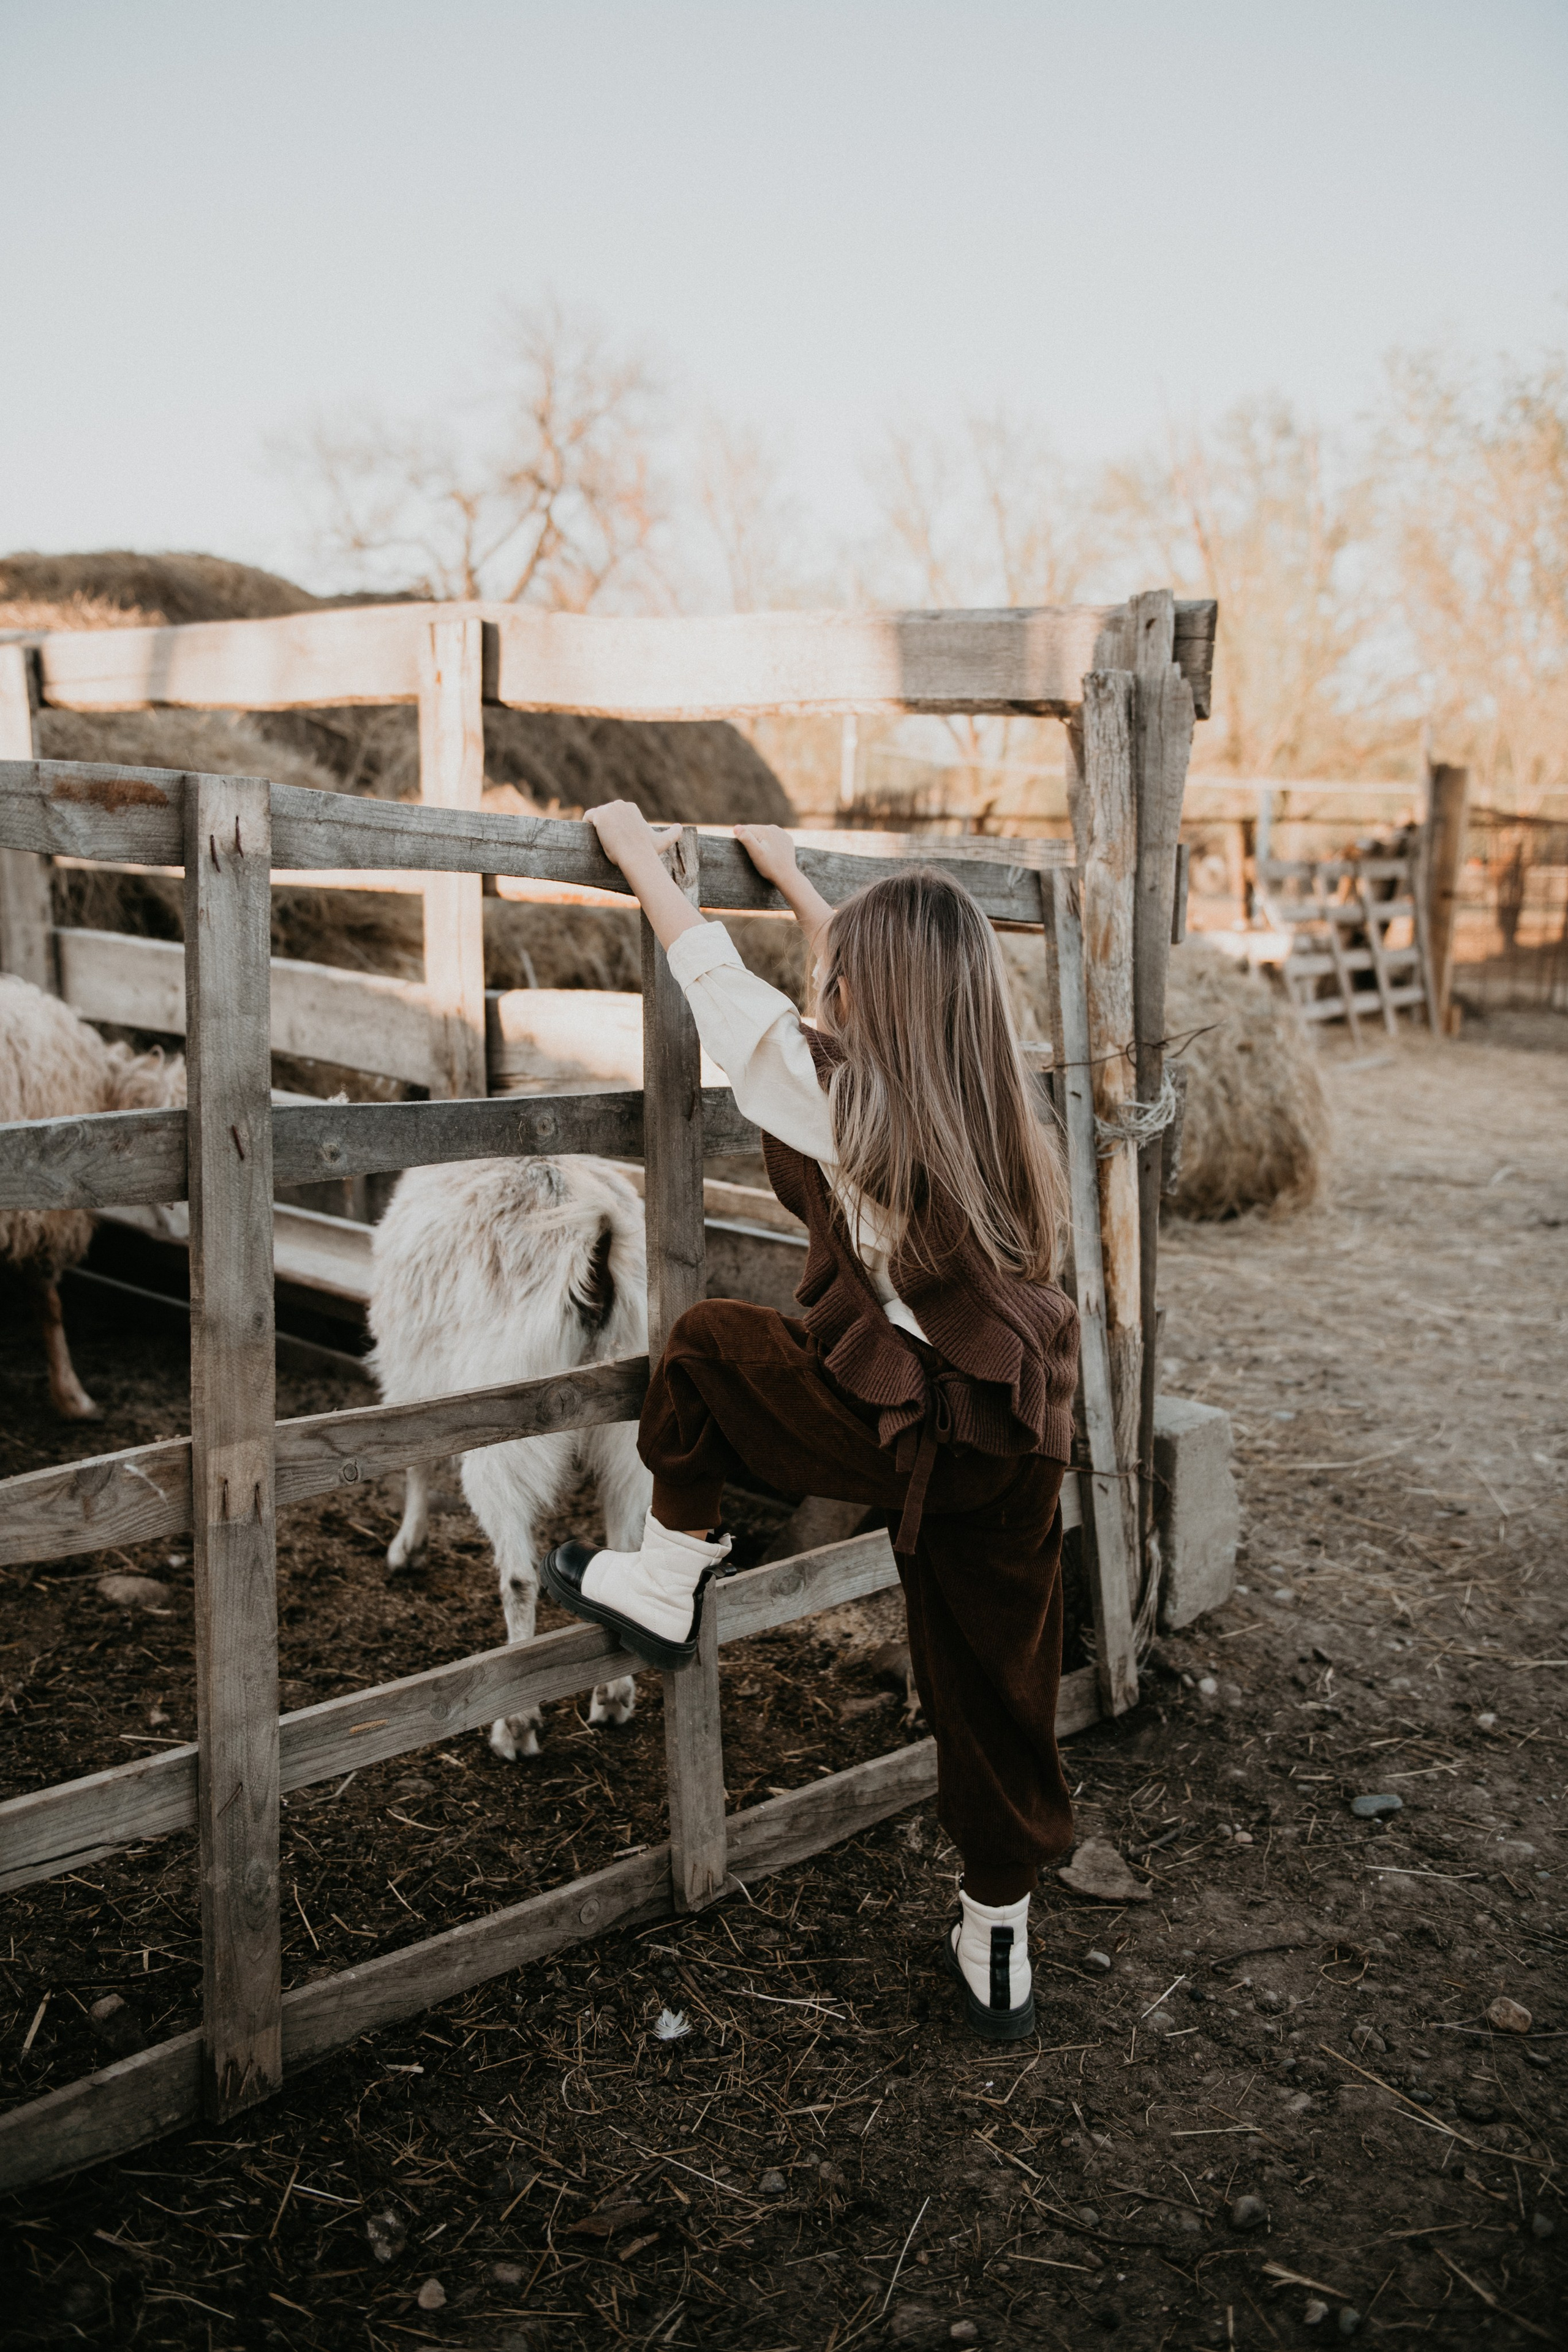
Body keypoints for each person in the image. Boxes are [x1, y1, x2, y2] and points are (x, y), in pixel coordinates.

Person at [542, 805, 1080, 2042]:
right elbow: (895, 976)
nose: (823, 987)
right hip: (1021, 1425)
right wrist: (794, 880)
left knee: (702, 1354)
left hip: (926, 1428)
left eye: (838, 976)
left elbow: (716, 985)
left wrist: (638, 860)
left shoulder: (841, 1099)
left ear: (865, 1004)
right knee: (997, 1671)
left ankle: (668, 1577)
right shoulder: (992, 1103)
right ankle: (997, 1938)